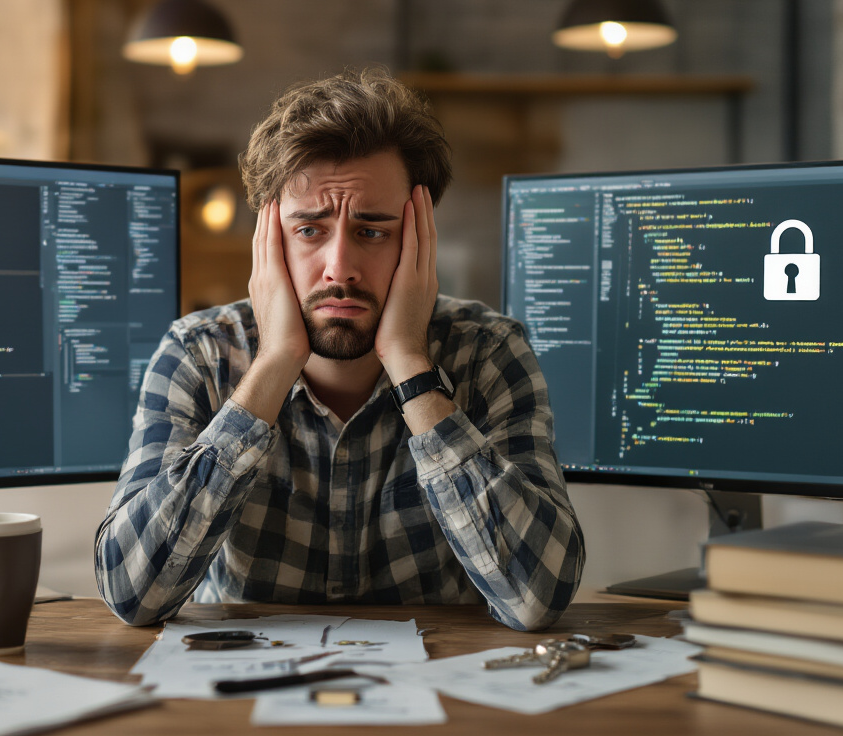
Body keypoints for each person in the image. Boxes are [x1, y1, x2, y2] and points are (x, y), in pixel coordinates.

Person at [95, 67, 584, 631]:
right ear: (270, 240)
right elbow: (131, 594)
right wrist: (275, 361)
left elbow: (540, 598)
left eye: (373, 230)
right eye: (309, 230)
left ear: (419, 238)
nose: (340, 268)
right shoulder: (199, 353)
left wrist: (410, 364)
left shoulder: (489, 352)